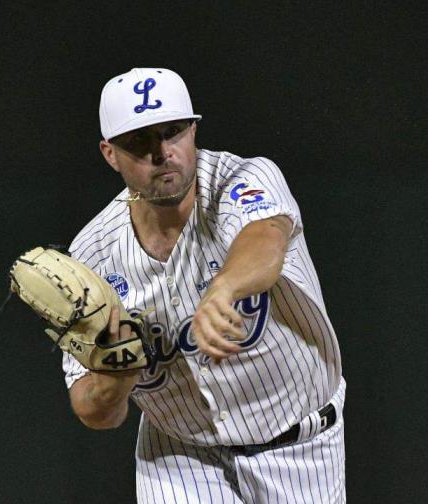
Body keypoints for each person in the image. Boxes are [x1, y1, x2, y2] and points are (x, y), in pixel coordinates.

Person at [63, 67, 345, 503]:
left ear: (193, 131)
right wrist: (114, 378)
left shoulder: (243, 178)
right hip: (179, 455)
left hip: (300, 448)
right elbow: (92, 410)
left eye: (172, 131)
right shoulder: (92, 256)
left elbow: (266, 237)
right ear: (109, 154)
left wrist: (225, 287)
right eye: (139, 141)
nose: (162, 152)